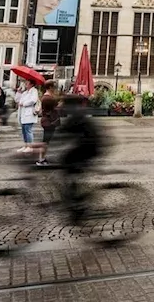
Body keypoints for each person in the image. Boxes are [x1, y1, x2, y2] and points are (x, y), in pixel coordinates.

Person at [56, 93, 106, 223]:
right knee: (67, 165)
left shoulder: (76, 114)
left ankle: (77, 205)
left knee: (68, 167)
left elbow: (62, 133)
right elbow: (63, 132)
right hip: (86, 146)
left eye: (63, 103)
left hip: (90, 148)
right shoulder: (76, 112)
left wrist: (42, 145)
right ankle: (75, 201)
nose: (60, 105)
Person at [36, 82, 60, 166]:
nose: (55, 89)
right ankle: (41, 159)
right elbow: (57, 107)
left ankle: (42, 158)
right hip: (49, 122)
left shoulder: (47, 97)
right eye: (54, 87)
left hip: (47, 121)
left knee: (46, 141)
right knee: (45, 142)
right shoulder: (48, 98)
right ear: (50, 87)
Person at [16, 81, 40, 153]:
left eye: (27, 83)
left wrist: (24, 104)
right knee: (24, 131)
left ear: (32, 84)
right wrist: (18, 92)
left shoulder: (34, 91)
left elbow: (33, 100)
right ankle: (26, 145)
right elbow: (17, 100)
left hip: (29, 113)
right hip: (23, 114)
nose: (26, 84)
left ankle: (30, 146)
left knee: (28, 130)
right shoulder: (25, 92)